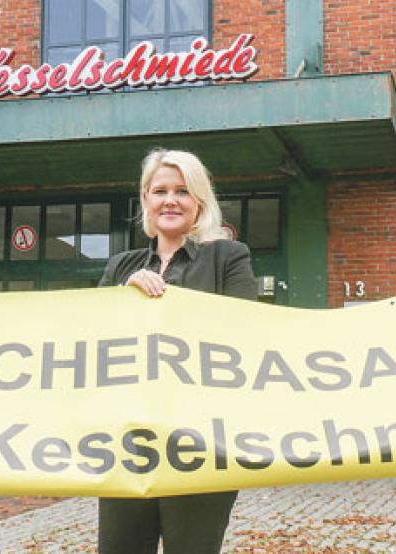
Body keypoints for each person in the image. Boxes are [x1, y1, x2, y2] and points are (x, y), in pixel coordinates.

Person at [97, 148, 257, 553]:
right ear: (147, 200)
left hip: (200, 442)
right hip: (130, 443)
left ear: (198, 202)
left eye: (182, 191)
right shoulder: (120, 266)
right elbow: (92, 339)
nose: (170, 199)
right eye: (160, 190)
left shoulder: (228, 257)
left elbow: (243, 332)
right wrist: (123, 297)